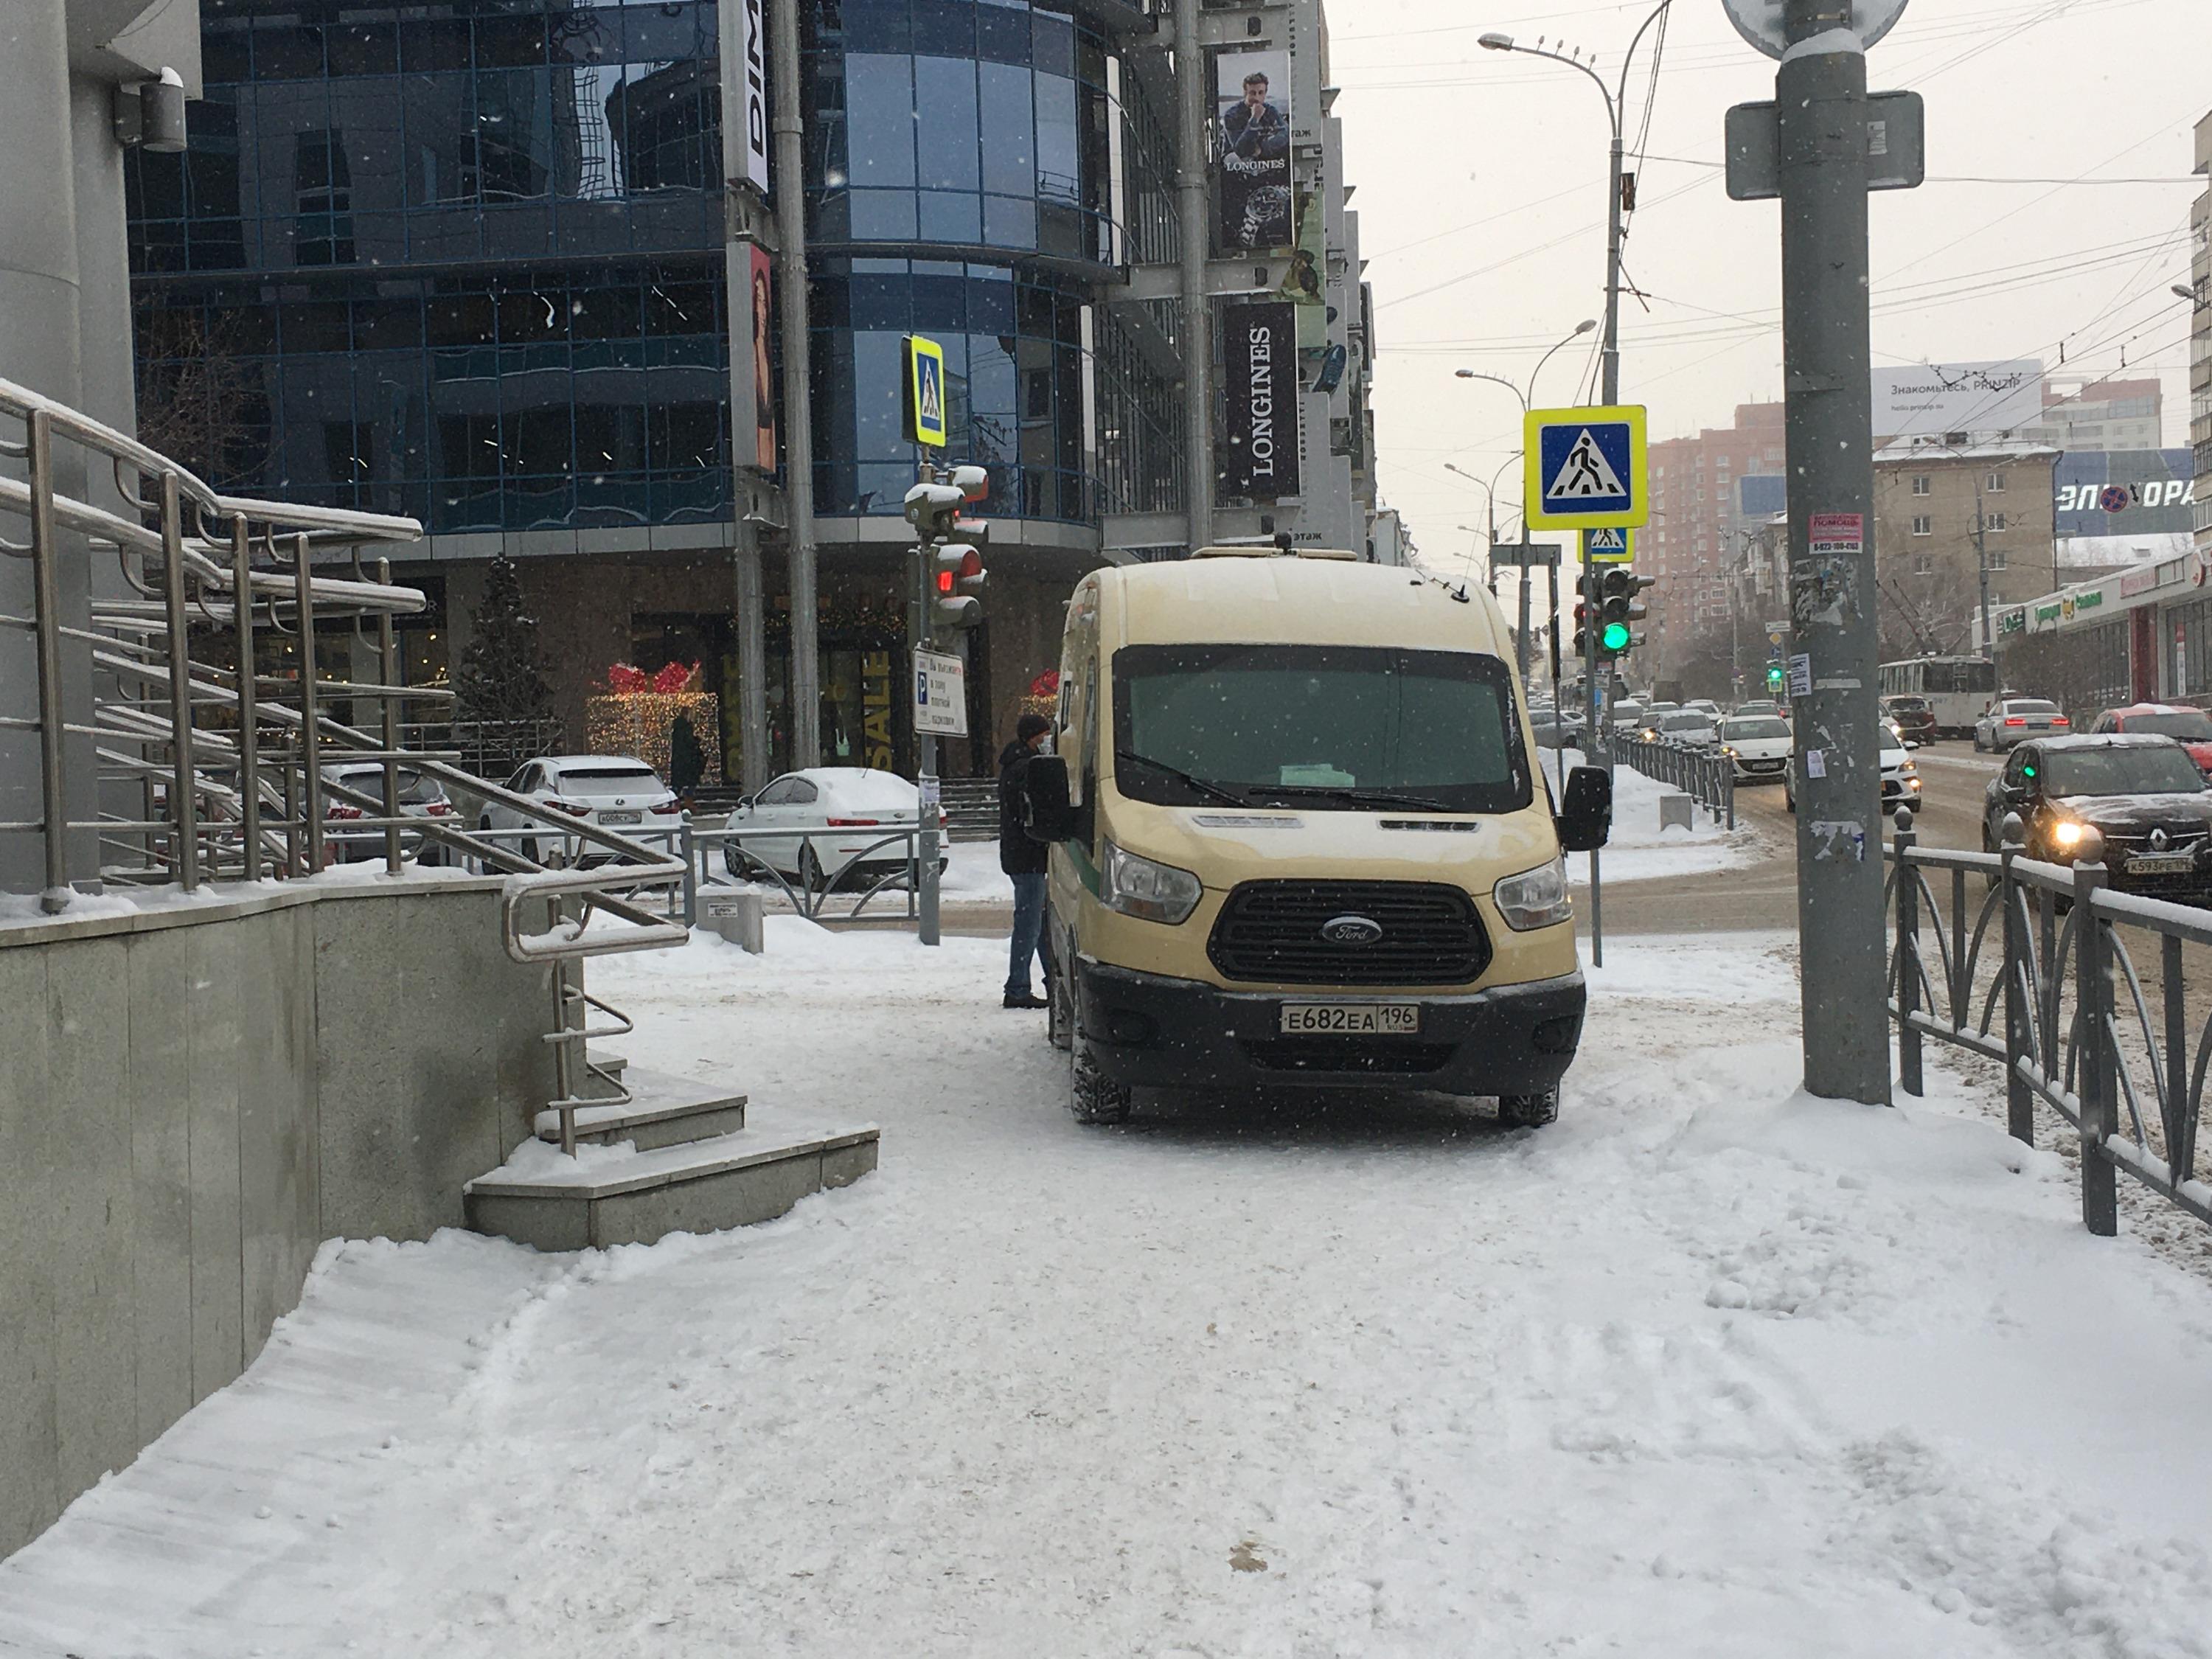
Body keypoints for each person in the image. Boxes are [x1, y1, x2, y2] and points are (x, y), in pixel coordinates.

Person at [998, 712, 1054, 1009]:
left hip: (1022, 855)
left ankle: (1053, 980)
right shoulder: (1026, 768)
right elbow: (1033, 811)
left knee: (1040, 923)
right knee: (1030, 924)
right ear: (1034, 737)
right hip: (1029, 855)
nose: (1047, 741)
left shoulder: (1015, 764)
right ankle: (1017, 988)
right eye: (1044, 735)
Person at [668, 711, 705, 801]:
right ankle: (688, 801)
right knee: (690, 783)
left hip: (680, 761)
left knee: (679, 784)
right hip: (687, 761)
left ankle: (677, 799)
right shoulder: (686, 728)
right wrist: (697, 740)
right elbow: (689, 742)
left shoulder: (678, 729)